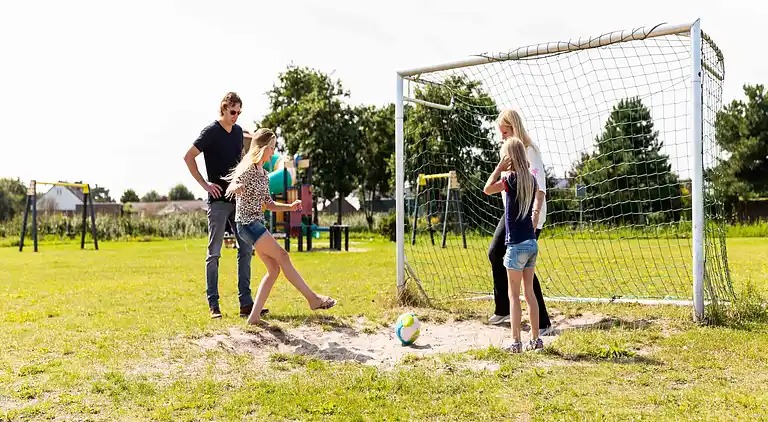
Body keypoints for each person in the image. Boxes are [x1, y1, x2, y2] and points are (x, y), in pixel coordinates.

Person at [223, 128, 337, 326]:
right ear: (264, 148)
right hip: (247, 224)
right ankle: (312, 299)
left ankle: (254, 317)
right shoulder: (248, 169)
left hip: (255, 223)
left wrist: (290, 207)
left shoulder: (264, 174)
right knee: (283, 256)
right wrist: (236, 188)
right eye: (272, 148)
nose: (273, 152)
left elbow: (269, 204)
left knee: (274, 269)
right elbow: (231, 186)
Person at [183, 92, 261, 319]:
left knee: (246, 248)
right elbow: (189, 157)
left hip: (238, 200)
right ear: (223, 109)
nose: (236, 116)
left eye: (239, 112)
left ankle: (246, 303)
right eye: (232, 112)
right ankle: (213, 305)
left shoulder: (238, 132)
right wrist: (205, 184)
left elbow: (241, 159)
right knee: (214, 253)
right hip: (217, 201)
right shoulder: (210, 132)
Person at [487, 109, 552, 335]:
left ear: (514, 129)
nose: (502, 137)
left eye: (505, 132)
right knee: (496, 253)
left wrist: (534, 217)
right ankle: (504, 308)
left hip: (529, 216)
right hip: (511, 214)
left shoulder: (530, 151)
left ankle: (543, 323)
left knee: (523, 267)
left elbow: (540, 188)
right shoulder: (509, 152)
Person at [483, 137, 544, 352]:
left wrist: (499, 168)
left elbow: (487, 189)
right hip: (531, 243)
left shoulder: (510, 180)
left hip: (516, 246)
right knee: (530, 293)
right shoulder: (531, 180)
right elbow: (537, 198)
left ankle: (516, 342)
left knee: (513, 296)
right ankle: (536, 340)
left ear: (509, 158)